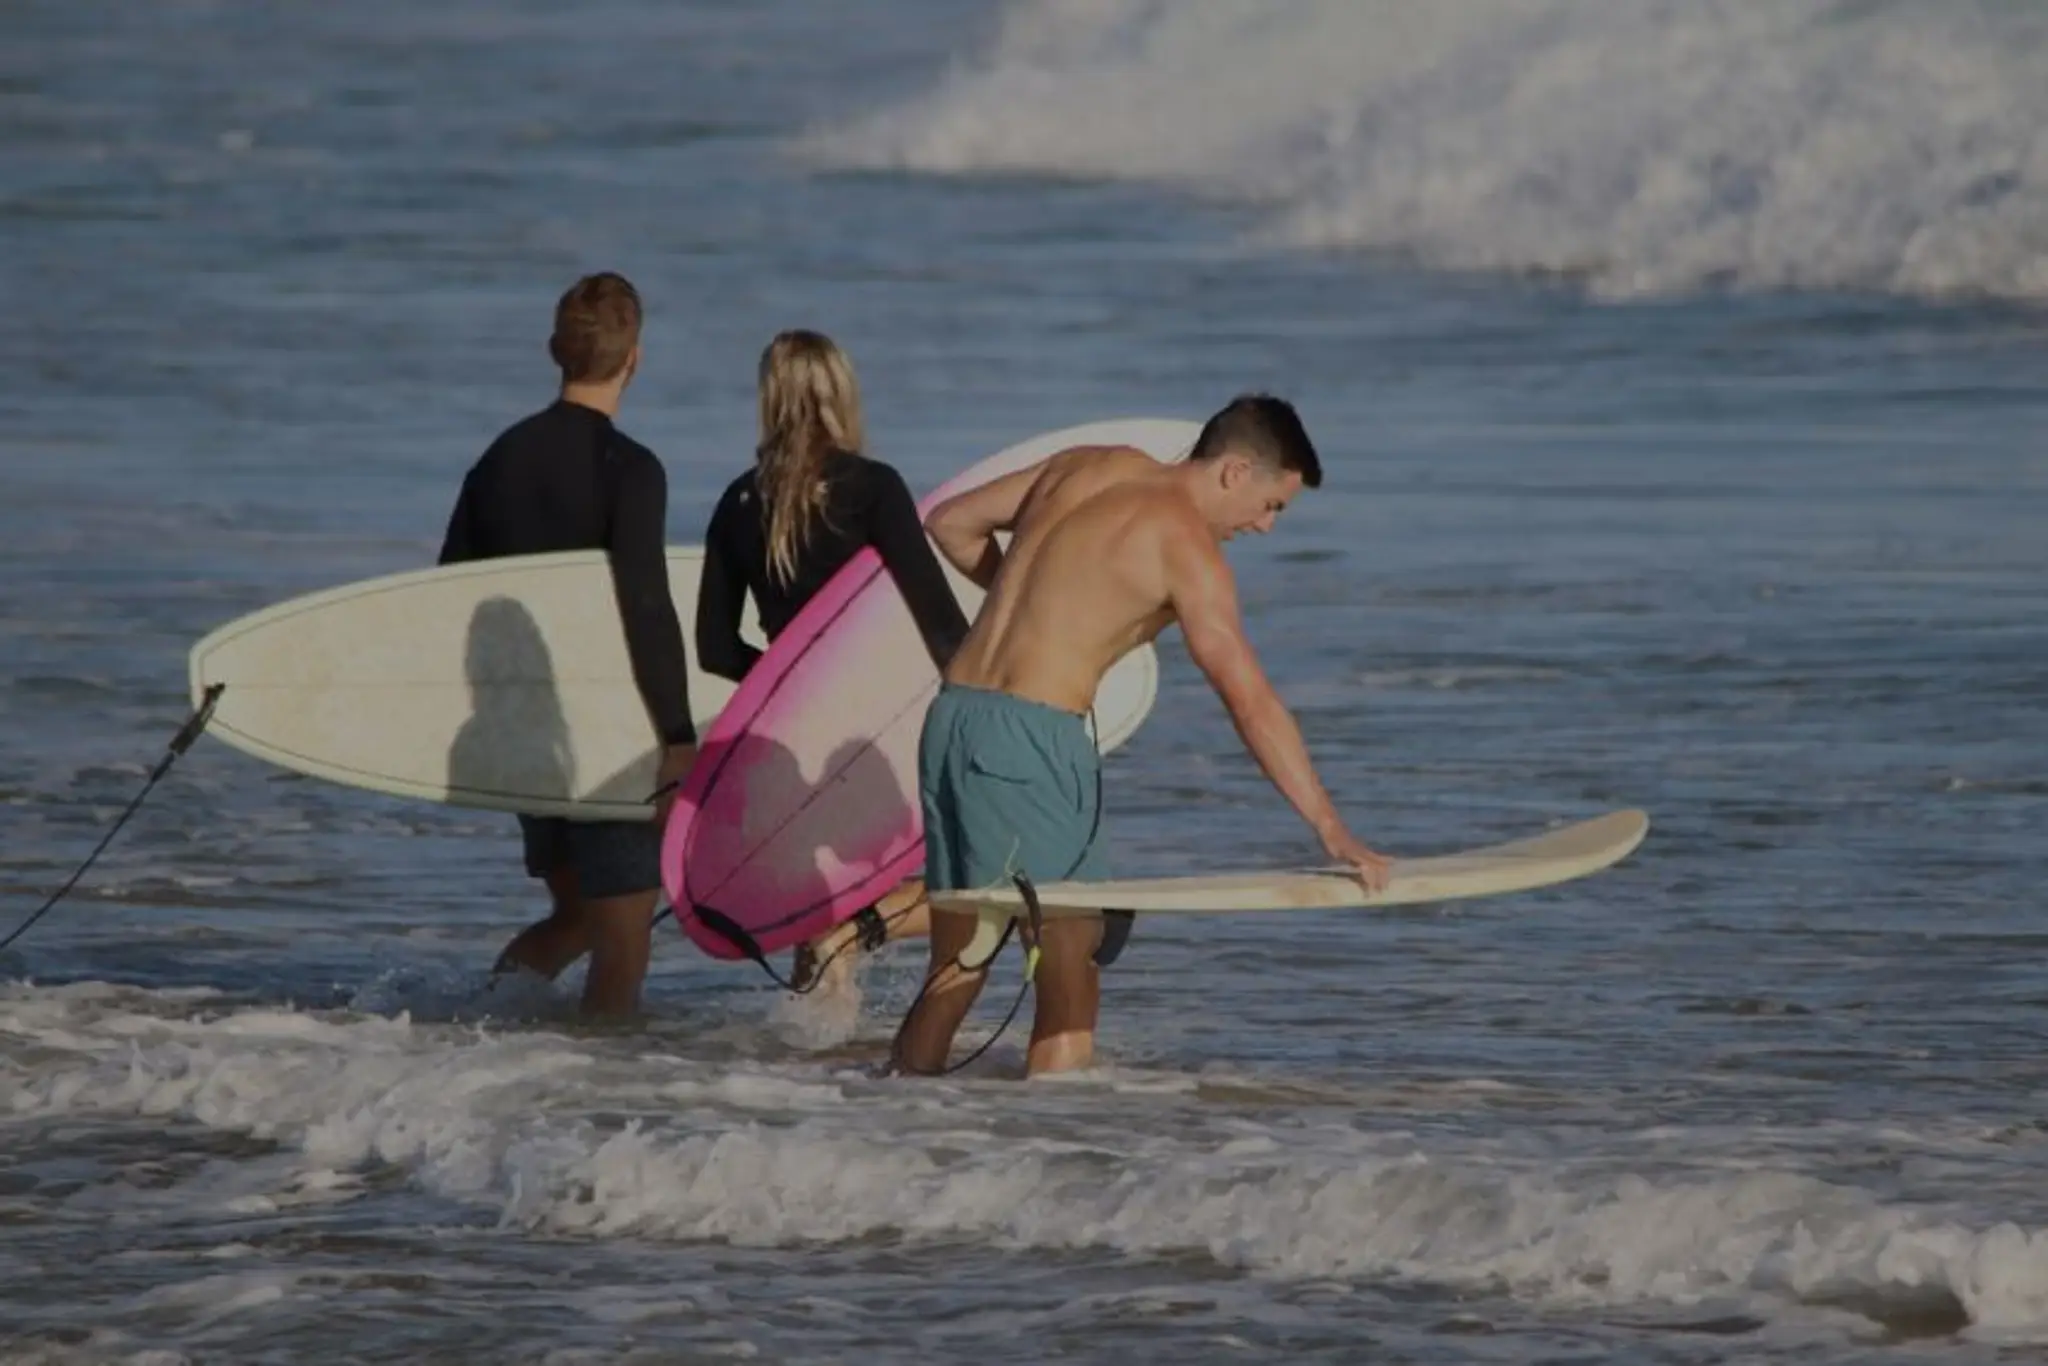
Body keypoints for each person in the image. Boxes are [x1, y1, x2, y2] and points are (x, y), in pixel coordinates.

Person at [890, 394, 1392, 1077]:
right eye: (1273, 505)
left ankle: (890, 1121)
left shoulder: (1087, 466)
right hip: (1030, 741)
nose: (1268, 527)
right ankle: (1062, 1166)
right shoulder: (1184, 544)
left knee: (959, 963)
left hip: (953, 718)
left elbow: (951, 523)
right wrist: (1330, 828)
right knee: (1070, 969)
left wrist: (1037, 601)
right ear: (1234, 470)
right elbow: (1249, 698)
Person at [437, 271, 695, 1019]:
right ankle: (597, 1091)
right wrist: (677, 740)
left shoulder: (500, 459)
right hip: (606, 734)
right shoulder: (630, 468)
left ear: (557, 351)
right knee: (620, 933)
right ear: (635, 358)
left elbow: (448, 591)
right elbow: (647, 607)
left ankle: (479, 1029)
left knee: (578, 916)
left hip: (523, 727)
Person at [696, 329, 972, 989]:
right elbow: (940, 626)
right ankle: (844, 1014)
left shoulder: (737, 502)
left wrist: (785, 689)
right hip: (865, 733)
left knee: (813, 908)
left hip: (780, 744)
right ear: (842, 395)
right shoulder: (874, 489)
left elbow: (714, 647)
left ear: (770, 401)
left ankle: (814, 1063)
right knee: (970, 879)